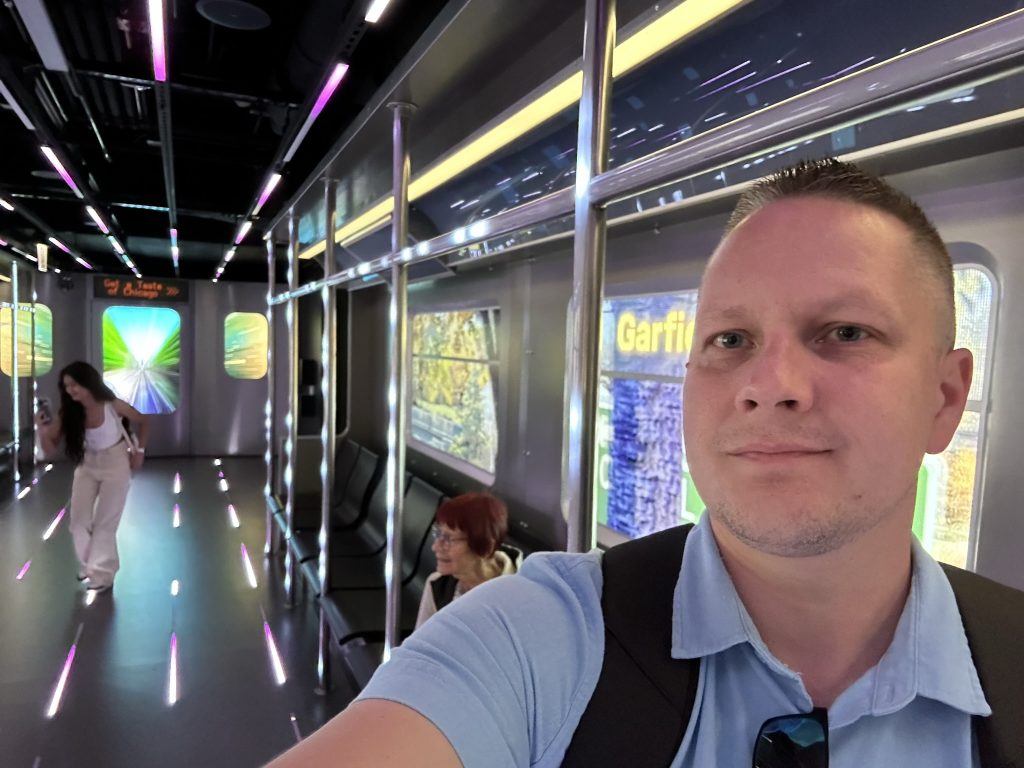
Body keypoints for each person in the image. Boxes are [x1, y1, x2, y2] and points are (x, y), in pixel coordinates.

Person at [265, 158, 1024, 767]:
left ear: (946, 397)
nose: (770, 384)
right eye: (731, 340)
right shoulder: (538, 638)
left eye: (847, 332)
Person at [36, 361, 149, 593]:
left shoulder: (111, 404)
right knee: (78, 522)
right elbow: (49, 449)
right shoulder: (69, 413)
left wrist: (140, 451)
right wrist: (41, 430)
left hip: (116, 463)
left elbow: (144, 420)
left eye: (74, 385)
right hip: (87, 464)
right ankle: (90, 566)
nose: (70, 390)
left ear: (88, 382)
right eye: (66, 386)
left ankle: (102, 574)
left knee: (105, 523)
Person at [416, 493, 522, 629]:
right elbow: (421, 640)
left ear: (486, 547)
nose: (435, 547)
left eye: (449, 539)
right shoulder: (438, 585)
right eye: (438, 534)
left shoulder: (522, 592)